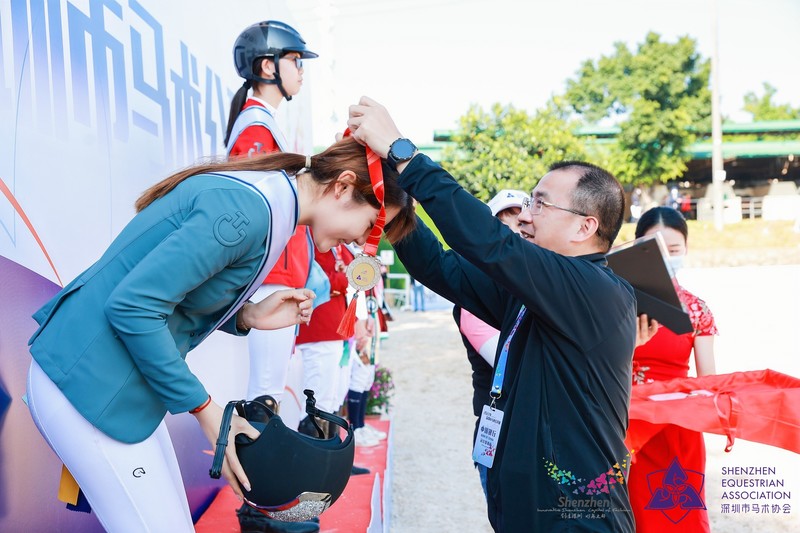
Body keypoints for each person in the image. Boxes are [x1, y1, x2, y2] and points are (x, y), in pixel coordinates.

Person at [25, 136, 416, 532]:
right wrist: (206, 411)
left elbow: (172, 298)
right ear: (343, 186)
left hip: (114, 386)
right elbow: (133, 307)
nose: (362, 242)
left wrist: (246, 315)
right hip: (89, 385)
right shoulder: (250, 211)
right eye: (371, 226)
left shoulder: (268, 205)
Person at [346, 96, 637, 532]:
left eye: (540, 204)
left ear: (585, 227)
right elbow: (440, 268)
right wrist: (395, 209)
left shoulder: (596, 291)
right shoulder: (536, 294)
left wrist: (403, 153)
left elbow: (489, 243)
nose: (526, 217)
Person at [224, 21, 320, 419]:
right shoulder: (257, 128)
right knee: (264, 395)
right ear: (268, 67)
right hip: (270, 274)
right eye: (295, 60)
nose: (301, 70)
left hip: (278, 272)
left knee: (269, 393)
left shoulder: (267, 124)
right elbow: (253, 208)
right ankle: (253, 461)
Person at [627, 206, 717, 532]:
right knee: (633, 512)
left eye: (675, 249)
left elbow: (708, 381)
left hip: (678, 425)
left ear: (687, 250)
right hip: (626, 422)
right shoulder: (618, 303)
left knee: (681, 516)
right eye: (656, 249)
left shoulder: (697, 309)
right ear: (638, 248)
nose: (667, 257)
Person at [454, 189, 526, 501]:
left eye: (523, 226)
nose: (516, 236)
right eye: (503, 228)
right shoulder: (475, 296)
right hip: (502, 432)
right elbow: (516, 362)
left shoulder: (543, 288)